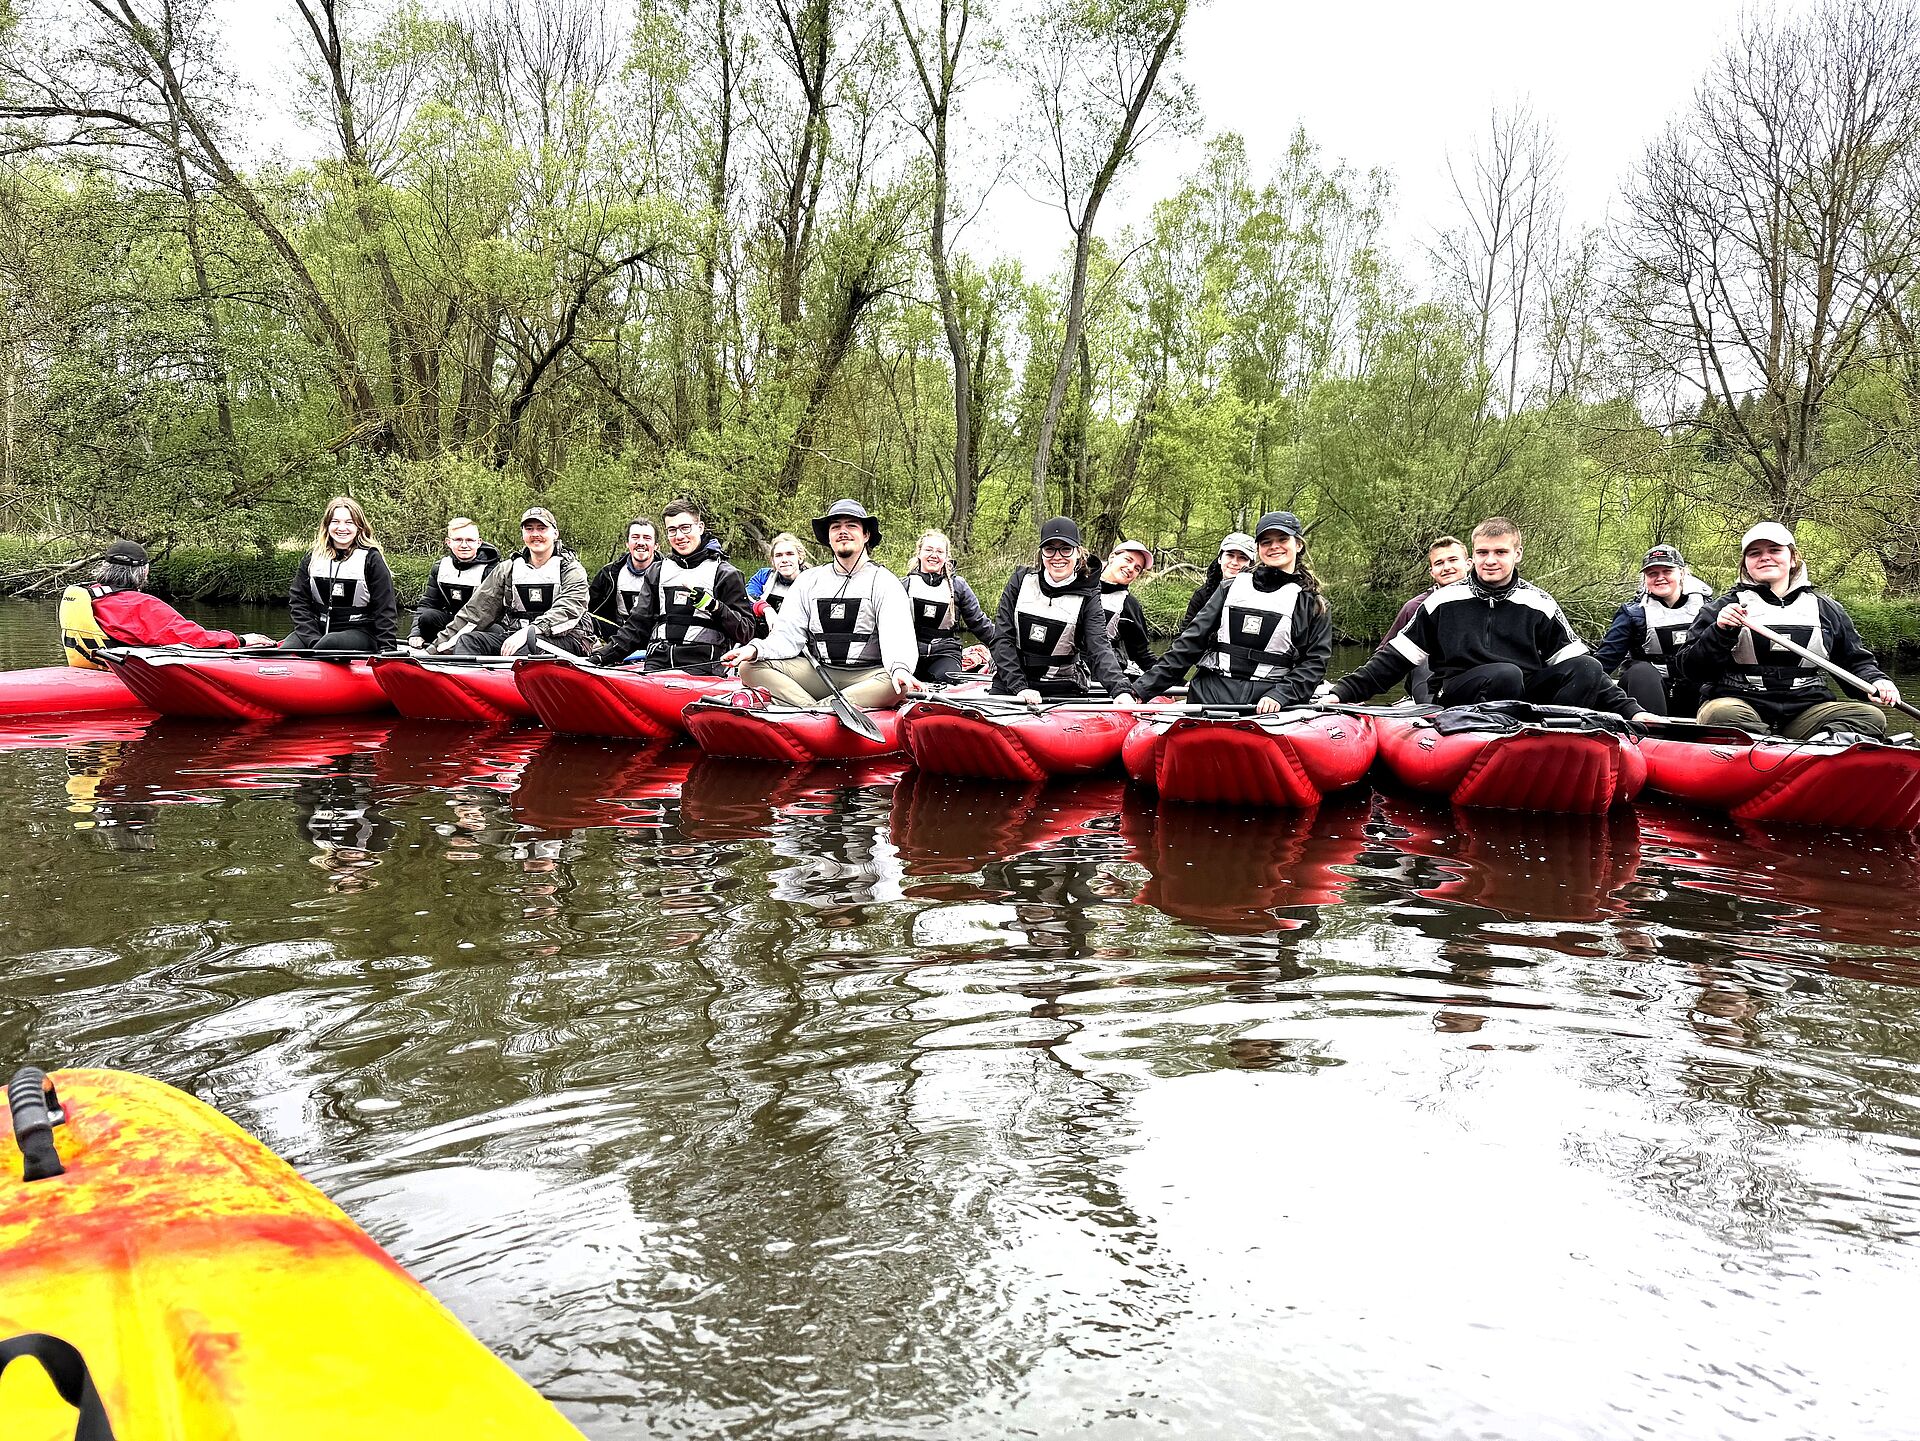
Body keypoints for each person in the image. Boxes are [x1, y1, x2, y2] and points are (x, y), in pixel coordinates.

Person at [1322, 516, 1641, 717]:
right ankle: (1492, 736)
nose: (1490, 560)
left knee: (1585, 665)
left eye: (1500, 552)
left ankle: (1560, 735)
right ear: (1472, 556)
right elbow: (1394, 659)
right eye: (1483, 553)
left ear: (1517, 555)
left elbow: (1589, 673)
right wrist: (1342, 692)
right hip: (1461, 691)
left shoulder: (1539, 603)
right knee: (1504, 674)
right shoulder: (1444, 600)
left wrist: (1632, 710)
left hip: (1521, 695)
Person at [1673, 521, 1901, 739]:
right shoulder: (1721, 608)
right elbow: (1690, 669)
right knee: (1721, 713)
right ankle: (1771, 748)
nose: (1765, 557)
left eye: (1775, 550)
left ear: (1792, 558)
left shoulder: (1827, 609)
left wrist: (1877, 681)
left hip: (1804, 709)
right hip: (1739, 704)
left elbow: (1855, 662)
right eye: (1754, 553)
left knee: (1871, 717)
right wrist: (1720, 631)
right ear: (1746, 564)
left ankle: (1811, 748)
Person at [721, 499, 924, 708]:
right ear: (829, 537)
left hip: (867, 676)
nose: (842, 531)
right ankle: (820, 710)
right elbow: (786, 637)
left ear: (866, 535)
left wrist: (900, 668)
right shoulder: (808, 580)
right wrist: (755, 649)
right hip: (820, 672)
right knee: (749, 667)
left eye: (851, 525)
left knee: (899, 684)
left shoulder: (884, 581)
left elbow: (898, 637)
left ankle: (812, 710)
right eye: (836, 527)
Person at [1135, 512, 1331, 712]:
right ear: (1259, 549)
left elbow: (1314, 663)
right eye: (1266, 542)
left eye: (1282, 539)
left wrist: (1280, 695)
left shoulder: (1313, 604)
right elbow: (1189, 644)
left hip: (1267, 704)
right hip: (1210, 694)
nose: (1274, 546)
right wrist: (1141, 691)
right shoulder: (1229, 588)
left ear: (1298, 545)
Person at [589, 499, 755, 673]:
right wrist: (600, 657)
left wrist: (714, 606)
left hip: (704, 666)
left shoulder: (726, 574)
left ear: (700, 527)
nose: (679, 536)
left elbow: (745, 632)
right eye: (672, 530)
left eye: (685, 528)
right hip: (658, 663)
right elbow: (636, 627)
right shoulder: (657, 571)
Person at [986, 517, 1136, 704]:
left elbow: (1099, 646)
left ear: (1078, 553)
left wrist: (1120, 689)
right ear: (1042, 554)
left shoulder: (1089, 595)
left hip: (1062, 686)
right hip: (1011, 683)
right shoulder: (1020, 580)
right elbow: (1002, 638)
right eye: (1050, 549)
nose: (1058, 557)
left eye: (1066, 549)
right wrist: (1020, 687)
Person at [60, 540, 274, 663]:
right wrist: (241, 640)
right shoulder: (139, 605)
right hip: (123, 676)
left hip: (89, 667)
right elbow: (193, 639)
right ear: (143, 572)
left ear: (104, 568)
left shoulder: (89, 595)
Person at [429, 506, 596, 657]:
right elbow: (476, 613)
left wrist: (531, 632)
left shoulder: (571, 569)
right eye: (529, 529)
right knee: (468, 640)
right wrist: (433, 650)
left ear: (555, 533)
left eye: (542, 528)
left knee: (527, 648)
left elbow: (569, 608)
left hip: (570, 638)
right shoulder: (507, 569)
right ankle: (467, 686)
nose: (535, 534)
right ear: (523, 534)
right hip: (516, 636)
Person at [1592, 544, 1714, 716]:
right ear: (1645, 578)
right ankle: (1652, 733)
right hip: (1647, 695)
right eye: (1653, 573)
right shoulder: (1633, 614)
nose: (1660, 578)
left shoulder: (1709, 609)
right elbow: (1604, 661)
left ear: (1681, 573)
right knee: (1640, 671)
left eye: (1667, 571)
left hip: (1695, 695)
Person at [286, 496, 397, 653]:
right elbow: (298, 602)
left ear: (359, 526)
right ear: (327, 525)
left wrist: (387, 649)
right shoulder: (312, 557)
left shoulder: (372, 559)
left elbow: (385, 607)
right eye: (336, 522)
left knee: (329, 643)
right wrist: (312, 639)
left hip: (360, 631)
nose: (342, 528)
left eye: (349, 522)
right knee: (286, 650)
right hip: (317, 631)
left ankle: (320, 651)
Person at [1375, 535, 1469, 704]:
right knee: (1425, 658)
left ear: (1469, 564)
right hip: (1429, 679)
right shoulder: (1414, 607)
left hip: (1469, 678)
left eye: (1453, 560)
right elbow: (1384, 654)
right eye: (1439, 563)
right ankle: (1431, 712)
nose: (1447, 567)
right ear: (1432, 572)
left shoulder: (1489, 602)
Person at [903, 529, 997, 684]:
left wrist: (1005, 648)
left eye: (940, 551)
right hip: (909, 652)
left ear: (946, 557)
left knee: (948, 679)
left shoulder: (958, 586)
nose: (934, 555)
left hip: (945, 653)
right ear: (919, 553)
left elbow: (979, 623)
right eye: (928, 550)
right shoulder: (903, 585)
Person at [407, 517, 500, 648]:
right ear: (448, 542)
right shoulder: (440, 567)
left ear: (479, 543)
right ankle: (435, 646)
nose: (464, 545)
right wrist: (416, 633)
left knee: (495, 630)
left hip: (480, 625)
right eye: (458, 540)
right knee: (427, 617)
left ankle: (459, 646)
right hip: (451, 621)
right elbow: (427, 604)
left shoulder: (493, 570)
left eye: (469, 540)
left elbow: (494, 613)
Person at [588, 517, 657, 632]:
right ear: (627, 543)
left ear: (656, 545)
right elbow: (590, 611)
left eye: (647, 538)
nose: (640, 543)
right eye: (635, 537)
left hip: (655, 637)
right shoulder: (608, 574)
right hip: (618, 636)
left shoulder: (668, 574)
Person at [1099, 539, 1157, 672]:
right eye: (1128, 560)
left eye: (1137, 568)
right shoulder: (1077, 583)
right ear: (1112, 557)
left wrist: (1179, 682)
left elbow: (1142, 655)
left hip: (1101, 678)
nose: (1131, 569)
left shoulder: (1130, 605)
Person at [1181, 532, 1257, 626]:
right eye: (1230, 555)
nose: (1234, 562)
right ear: (1220, 558)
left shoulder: (1258, 597)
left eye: (1242, 558)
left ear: (1251, 564)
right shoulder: (1202, 595)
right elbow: (1185, 633)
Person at [747, 532, 811, 639]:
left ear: (800, 557)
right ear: (773, 560)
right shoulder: (764, 576)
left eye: (790, 554)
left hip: (801, 642)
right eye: (778, 555)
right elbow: (747, 596)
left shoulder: (813, 580)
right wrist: (766, 609)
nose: (784, 560)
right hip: (763, 639)